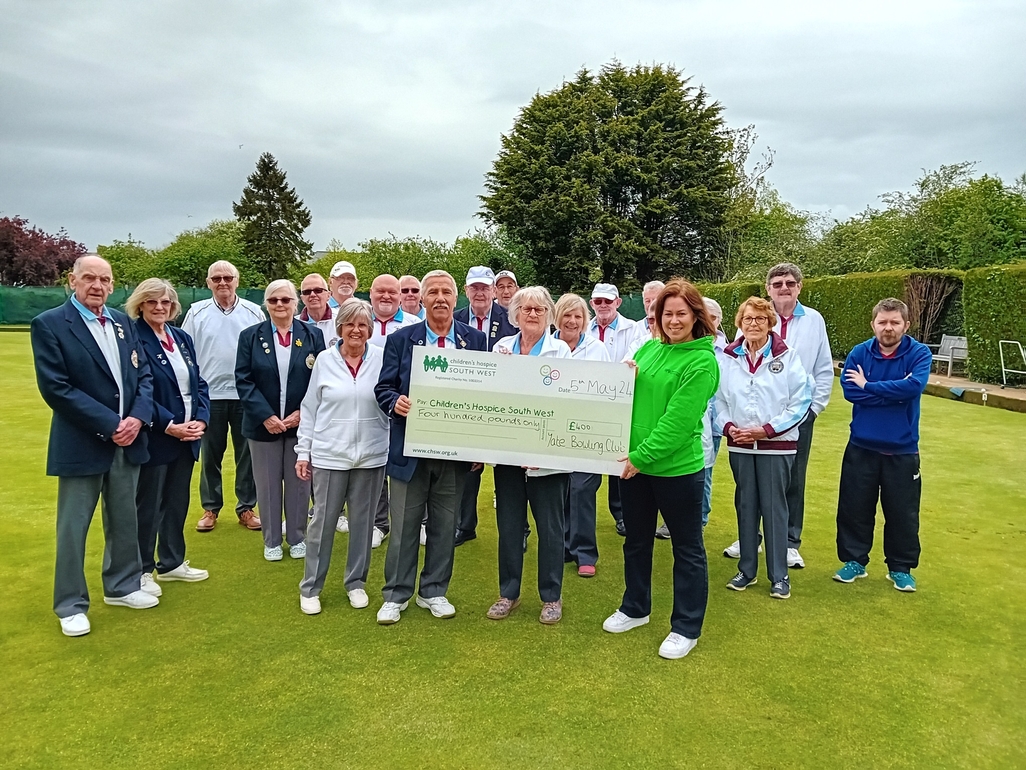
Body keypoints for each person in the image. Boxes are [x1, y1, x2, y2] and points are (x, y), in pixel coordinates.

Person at [31, 255, 157, 637]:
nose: (97, 286)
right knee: (73, 528)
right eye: (89, 278)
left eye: (104, 279)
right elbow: (57, 388)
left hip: (128, 440)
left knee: (124, 519)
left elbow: (143, 375)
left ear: (113, 285)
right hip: (82, 442)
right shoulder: (50, 324)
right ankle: (70, 604)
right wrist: (111, 424)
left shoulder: (122, 322)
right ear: (73, 281)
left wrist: (136, 419)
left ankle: (122, 586)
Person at [601, 279, 719, 660]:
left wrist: (640, 457)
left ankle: (686, 627)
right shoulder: (649, 348)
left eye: (681, 313)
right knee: (636, 541)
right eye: (667, 313)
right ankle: (635, 607)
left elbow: (677, 424)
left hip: (676, 471)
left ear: (696, 316)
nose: (673, 320)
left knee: (687, 548)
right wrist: (625, 378)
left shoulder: (702, 361)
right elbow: (629, 397)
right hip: (636, 467)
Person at [373, 270, 487, 625]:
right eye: (432, 292)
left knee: (444, 526)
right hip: (410, 451)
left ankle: (434, 591)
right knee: (404, 526)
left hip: (454, 453)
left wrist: (479, 446)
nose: (440, 298)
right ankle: (396, 594)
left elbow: (486, 397)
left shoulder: (475, 340)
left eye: (446, 292)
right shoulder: (401, 340)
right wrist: (396, 402)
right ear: (421, 299)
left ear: (456, 298)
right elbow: (383, 388)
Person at [722, 263, 832, 569]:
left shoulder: (813, 320)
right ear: (768, 288)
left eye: (790, 283)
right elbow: (738, 363)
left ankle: (789, 541)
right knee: (751, 483)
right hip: (751, 419)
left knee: (794, 479)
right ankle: (751, 538)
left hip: (796, 416)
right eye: (778, 283)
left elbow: (823, 368)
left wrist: (813, 409)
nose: (784, 288)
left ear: (799, 287)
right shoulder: (752, 318)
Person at [714, 297, 812, 601]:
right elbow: (717, 400)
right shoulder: (728, 357)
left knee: (774, 508)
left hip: (777, 446)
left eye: (759, 319)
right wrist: (729, 428)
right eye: (747, 319)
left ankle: (779, 576)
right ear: (739, 323)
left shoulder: (788, 356)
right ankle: (747, 570)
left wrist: (767, 430)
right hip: (741, 446)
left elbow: (801, 402)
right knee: (745, 506)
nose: (753, 324)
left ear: (770, 323)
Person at [296, 299, 390, 614]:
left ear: (370, 329)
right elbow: (310, 408)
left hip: (372, 456)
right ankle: (311, 587)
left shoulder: (381, 358)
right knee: (322, 523)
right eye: (349, 324)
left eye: (362, 324)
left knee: (363, 524)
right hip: (329, 455)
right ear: (340, 328)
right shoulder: (324, 360)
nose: (356, 330)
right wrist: (303, 452)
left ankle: (356, 583)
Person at [833, 298, 932, 592]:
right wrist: (893, 393)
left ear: (906, 325)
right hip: (861, 446)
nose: (888, 328)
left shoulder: (919, 353)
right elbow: (851, 392)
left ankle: (900, 568)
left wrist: (869, 386)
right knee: (854, 508)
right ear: (873, 324)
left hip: (902, 448)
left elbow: (913, 387)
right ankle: (854, 561)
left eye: (895, 322)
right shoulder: (859, 353)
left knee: (902, 512)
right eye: (883, 322)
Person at [488, 287, 572, 624]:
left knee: (550, 529)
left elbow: (564, 404)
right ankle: (508, 593)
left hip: (547, 458)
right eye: (526, 309)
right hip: (508, 454)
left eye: (539, 309)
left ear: (549, 315)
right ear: (516, 314)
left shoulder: (560, 351)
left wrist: (546, 450)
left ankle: (551, 597)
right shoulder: (501, 348)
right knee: (509, 526)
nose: (532, 314)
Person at [128, 279, 211, 594]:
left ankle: (172, 563)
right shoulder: (134, 337)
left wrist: (201, 419)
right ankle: (141, 570)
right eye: (152, 302)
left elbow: (198, 383)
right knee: (149, 506)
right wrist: (168, 424)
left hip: (187, 436)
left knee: (177, 502)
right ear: (140, 305)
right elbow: (138, 390)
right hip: (157, 436)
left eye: (165, 302)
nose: (159, 307)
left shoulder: (181, 337)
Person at [235, 279, 325, 561]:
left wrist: (302, 412)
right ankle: (272, 540)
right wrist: (266, 416)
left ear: (295, 303)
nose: (279, 305)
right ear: (266, 304)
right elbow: (243, 380)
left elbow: (320, 379)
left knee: (300, 482)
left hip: (301, 424)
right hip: (263, 427)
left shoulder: (312, 335)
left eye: (285, 299)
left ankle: (297, 537)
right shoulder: (250, 336)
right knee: (267, 484)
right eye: (273, 300)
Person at [182, 260, 264, 533]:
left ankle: (246, 508)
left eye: (228, 278)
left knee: (246, 456)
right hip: (209, 397)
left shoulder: (253, 312)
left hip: (245, 395)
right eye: (216, 278)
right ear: (208, 283)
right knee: (210, 456)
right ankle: (210, 508)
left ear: (237, 281)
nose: (222, 283)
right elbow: (186, 353)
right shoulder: (197, 312)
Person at [452, 266, 516, 546]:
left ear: (493, 291)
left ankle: (518, 531)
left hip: (505, 404)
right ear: (466, 290)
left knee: (510, 470)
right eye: (474, 287)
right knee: (468, 469)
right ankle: (464, 526)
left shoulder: (511, 319)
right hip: (467, 405)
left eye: (485, 287)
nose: (480, 292)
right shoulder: (454, 319)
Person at [552, 292, 609, 578]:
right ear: (557, 317)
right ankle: (564, 547)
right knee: (559, 490)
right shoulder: (547, 346)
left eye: (578, 316)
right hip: (553, 430)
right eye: (567, 315)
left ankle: (585, 553)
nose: (572, 321)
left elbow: (611, 386)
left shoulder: (598, 348)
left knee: (582, 491)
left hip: (588, 430)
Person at [366, 274, 418, 548]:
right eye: (380, 291)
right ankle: (378, 523)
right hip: (368, 404)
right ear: (370, 293)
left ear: (400, 295)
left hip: (405, 407)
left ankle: (419, 522)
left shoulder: (413, 325)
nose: (386, 296)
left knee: (408, 465)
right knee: (376, 465)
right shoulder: (361, 320)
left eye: (392, 291)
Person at [586, 282, 638, 538]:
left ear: (618, 302)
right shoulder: (585, 327)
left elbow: (632, 358)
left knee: (619, 460)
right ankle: (580, 516)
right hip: (589, 402)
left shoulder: (633, 329)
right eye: (598, 301)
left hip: (623, 402)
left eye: (608, 301)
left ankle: (622, 514)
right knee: (587, 459)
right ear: (592, 303)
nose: (603, 305)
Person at [699, 297, 728, 528]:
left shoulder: (729, 352)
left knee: (705, 472)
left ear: (719, 320)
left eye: (713, 317)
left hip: (716, 421)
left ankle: (700, 517)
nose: (708, 321)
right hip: (692, 417)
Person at [298, 273, 336, 346]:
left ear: (328, 295)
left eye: (318, 290)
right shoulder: (293, 325)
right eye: (307, 292)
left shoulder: (341, 321)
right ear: (302, 298)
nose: (312, 294)